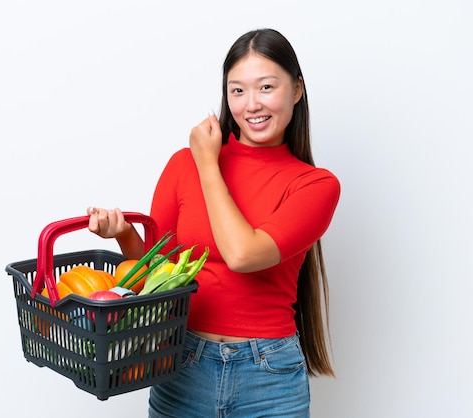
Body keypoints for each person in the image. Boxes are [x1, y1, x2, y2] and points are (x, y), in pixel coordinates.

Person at [87, 28, 340, 418]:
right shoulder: (181, 164)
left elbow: (243, 254)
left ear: (297, 90)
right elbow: (156, 276)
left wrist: (208, 162)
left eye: (266, 87)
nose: (251, 104)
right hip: (181, 364)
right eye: (237, 91)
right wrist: (123, 234)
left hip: (268, 376)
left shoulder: (314, 185)